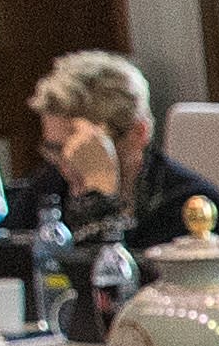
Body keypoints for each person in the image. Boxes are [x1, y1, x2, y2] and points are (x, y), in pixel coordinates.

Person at [26, 48, 209, 260]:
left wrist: (98, 198)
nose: (67, 165)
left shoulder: (189, 204)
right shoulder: (48, 188)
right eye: (56, 149)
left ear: (138, 133)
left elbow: (114, 276)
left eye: (86, 151)